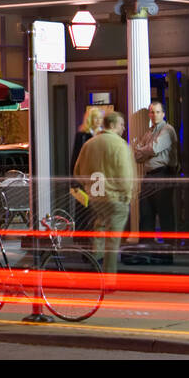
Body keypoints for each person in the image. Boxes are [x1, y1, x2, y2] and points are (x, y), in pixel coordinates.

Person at [72, 110, 135, 275]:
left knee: (99, 228)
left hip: (95, 197)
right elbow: (126, 175)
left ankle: (96, 263)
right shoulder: (120, 145)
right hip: (115, 198)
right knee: (113, 239)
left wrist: (90, 186)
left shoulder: (89, 144)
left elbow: (78, 172)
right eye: (121, 124)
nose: (123, 128)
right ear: (113, 125)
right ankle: (109, 276)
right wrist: (127, 195)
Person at [133, 100, 177, 243]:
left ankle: (169, 249)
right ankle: (145, 249)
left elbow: (153, 148)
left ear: (163, 114)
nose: (154, 115)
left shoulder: (167, 129)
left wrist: (143, 149)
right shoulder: (149, 132)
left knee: (165, 213)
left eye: (158, 112)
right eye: (152, 112)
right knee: (146, 213)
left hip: (162, 174)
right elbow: (137, 156)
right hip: (148, 176)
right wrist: (145, 150)